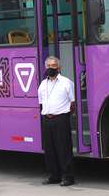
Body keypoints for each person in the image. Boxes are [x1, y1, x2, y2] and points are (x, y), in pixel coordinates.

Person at [38, 56, 75, 186]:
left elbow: (73, 103)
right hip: (47, 119)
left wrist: (64, 115)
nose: (50, 68)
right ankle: (54, 175)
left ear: (58, 68)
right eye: (48, 66)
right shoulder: (43, 84)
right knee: (49, 149)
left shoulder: (66, 82)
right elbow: (41, 103)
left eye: (53, 66)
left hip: (61, 119)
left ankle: (68, 177)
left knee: (63, 148)